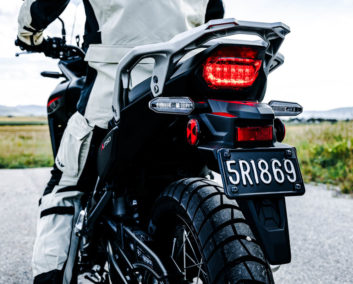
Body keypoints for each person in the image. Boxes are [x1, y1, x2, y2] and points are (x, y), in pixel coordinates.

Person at [16, 0, 224, 283]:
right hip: (184, 86)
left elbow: (42, 5)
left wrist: (29, 34)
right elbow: (213, 17)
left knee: (65, 189)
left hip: (116, 88)